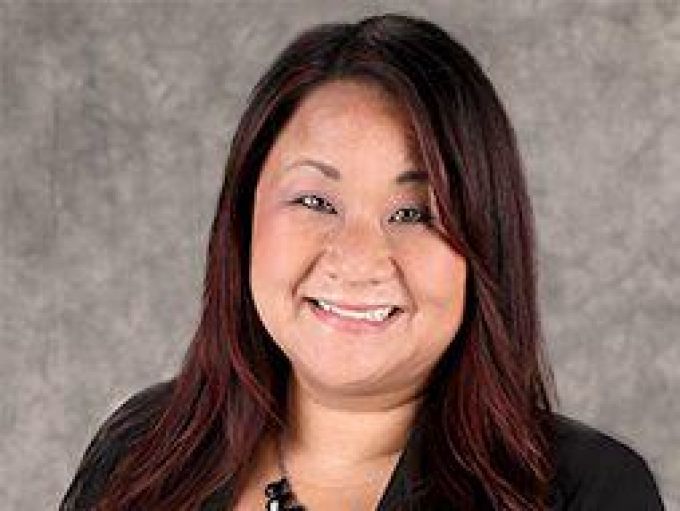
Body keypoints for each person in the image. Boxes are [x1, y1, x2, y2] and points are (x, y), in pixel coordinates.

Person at [60, 13, 665, 511]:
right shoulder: (141, 451)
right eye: (316, 201)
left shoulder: (590, 491)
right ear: (242, 219)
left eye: (415, 213)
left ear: (486, 242)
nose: (358, 260)